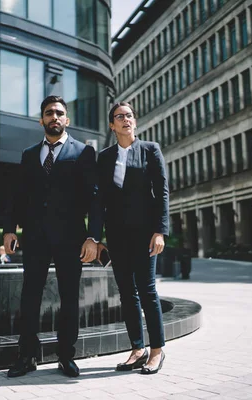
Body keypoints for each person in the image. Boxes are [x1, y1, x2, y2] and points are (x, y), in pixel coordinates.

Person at [2, 95, 99, 378]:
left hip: (71, 238)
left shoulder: (83, 152)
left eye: (59, 113)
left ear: (66, 120)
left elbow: (94, 199)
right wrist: (9, 229)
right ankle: (27, 355)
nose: (54, 117)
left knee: (69, 297)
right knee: (30, 296)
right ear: (41, 120)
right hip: (34, 237)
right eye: (49, 113)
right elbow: (17, 196)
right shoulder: (29, 154)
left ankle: (66, 356)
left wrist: (93, 237)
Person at [90, 102, 169, 375]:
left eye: (129, 115)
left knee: (147, 290)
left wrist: (160, 231)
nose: (126, 120)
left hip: (145, 234)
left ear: (134, 121)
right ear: (112, 125)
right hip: (117, 236)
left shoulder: (150, 150)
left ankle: (157, 350)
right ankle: (137, 349)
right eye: (119, 117)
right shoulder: (105, 157)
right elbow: (99, 201)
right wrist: (96, 237)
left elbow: (162, 193)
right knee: (127, 293)